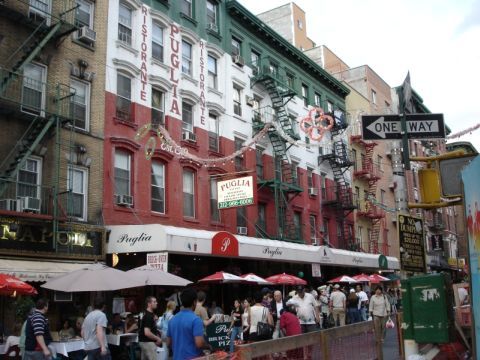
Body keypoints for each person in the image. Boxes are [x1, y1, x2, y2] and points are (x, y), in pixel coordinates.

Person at [167, 288, 206, 360]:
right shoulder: (196, 320)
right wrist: (208, 345)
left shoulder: (172, 320)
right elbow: (199, 343)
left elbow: (168, 343)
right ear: (194, 302)